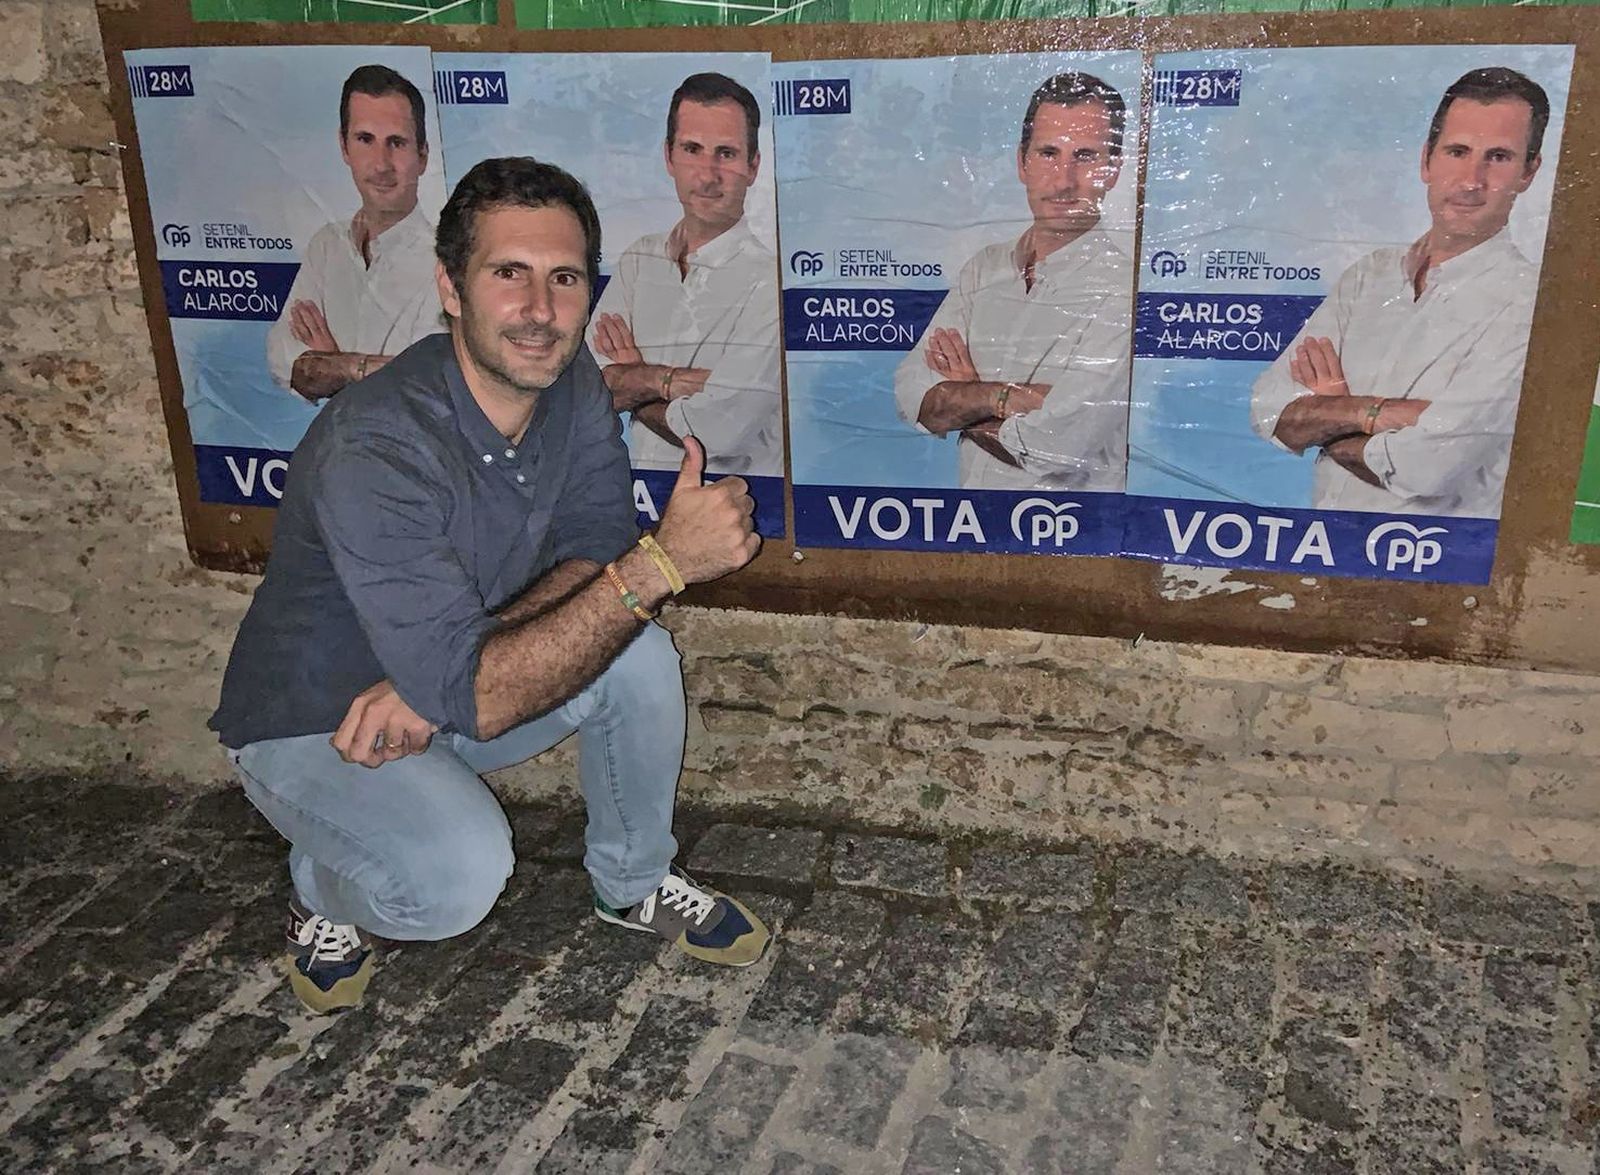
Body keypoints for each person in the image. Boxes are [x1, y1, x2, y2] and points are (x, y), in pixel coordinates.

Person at [212, 157, 769, 1015]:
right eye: (508, 273)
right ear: (450, 285)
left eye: (564, 278)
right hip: (316, 723)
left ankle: (633, 881)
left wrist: (435, 685)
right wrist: (664, 563)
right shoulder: (378, 444)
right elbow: (600, 592)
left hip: (431, 688)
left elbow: (592, 549)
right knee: (452, 883)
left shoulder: (572, 381)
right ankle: (325, 886)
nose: (540, 311)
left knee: (636, 651)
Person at [1250, 67, 1549, 518]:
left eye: (1499, 157)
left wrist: (1332, 411)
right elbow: (1272, 413)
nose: (1472, 180)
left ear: (1528, 172)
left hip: (1437, 569)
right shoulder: (1369, 276)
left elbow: (1429, 467)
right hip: (1322, 549)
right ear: (1427, 160)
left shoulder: (1532, 306)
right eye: (1458, 151)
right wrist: (1384, 414)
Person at [893, 72, 1133, 492]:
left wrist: (967, 397)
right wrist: (1004, 398)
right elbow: (915, 399)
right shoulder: (984, 269)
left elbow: (1057, 446)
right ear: (1021, 162)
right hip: (973, 528)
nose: (1064, 180)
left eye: (1086, 156)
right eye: (1048, 153)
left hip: (1077, 538)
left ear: (1113, 171)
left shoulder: (1124, 290)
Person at [587, 72, 781, 479]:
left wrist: (634, 384)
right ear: (668, 155)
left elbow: (718, 432)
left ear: (754, 166)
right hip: (640, 502)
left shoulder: (772, 282)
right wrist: (670, 381)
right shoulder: (638, 260)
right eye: (693, 149)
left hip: (740, 510)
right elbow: (589, 390)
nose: (708, 175)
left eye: (726, 153)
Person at [265, 64, 442, 401]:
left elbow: (431, 387)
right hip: (336, 450)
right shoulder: (326, 247)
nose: (381, 164)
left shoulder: (446, 261)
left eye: (397, 143)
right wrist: (362, 369)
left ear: (422, 155)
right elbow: (280, 360)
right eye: (365, 140)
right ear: (344, 147)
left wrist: (335, 363)